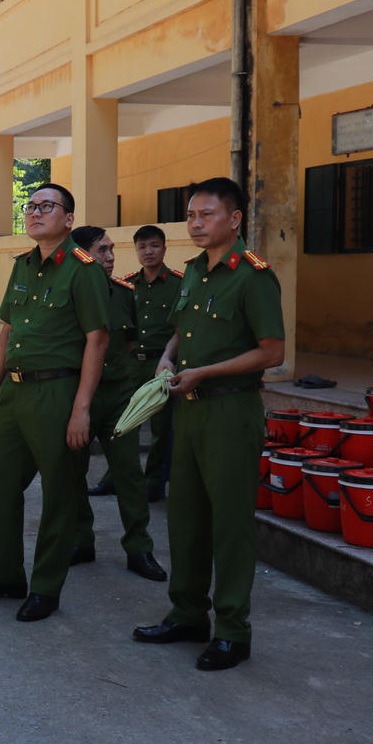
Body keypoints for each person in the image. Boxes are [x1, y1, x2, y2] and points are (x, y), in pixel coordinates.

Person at [133, 177, 284, 671]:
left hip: (231, 411)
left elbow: (272, 351)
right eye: (192, 215)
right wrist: (167, 357)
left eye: (207, 215)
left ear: (235, 218)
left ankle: (233, 631)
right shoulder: (194, 271)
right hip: (190, 409)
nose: (195, 224)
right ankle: (188, 614)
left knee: (230, 526)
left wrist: (205, 372)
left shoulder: (253, 276)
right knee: (187, 518)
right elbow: (182, 327)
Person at [0, 183, 108, 623]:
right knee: (1, 485)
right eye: (31, 206)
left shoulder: (84, 269)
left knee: (59, 493)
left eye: (47, 206)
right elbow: (7, 331)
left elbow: (97, 340)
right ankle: (5, 575)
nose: (36, 212)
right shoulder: (22, 265)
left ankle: (46, 587)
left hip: (58, 392)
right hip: (15, 393)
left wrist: (82, 407)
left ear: (68, 219)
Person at [68, 226, 167, 583]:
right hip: (80, 395)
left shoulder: (125, 293)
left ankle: (139, 548)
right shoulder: (69, 291)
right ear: (81, 255)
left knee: (128, 473)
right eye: (101, 251)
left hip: (119, 396)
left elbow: (127, 342)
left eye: (111, 250)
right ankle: (81, 540)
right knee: (72, 471)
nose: (110, 258)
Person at [90, 225, 180, 502]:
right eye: (142, 247)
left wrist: (168, 359)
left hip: (160, 366)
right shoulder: (126, 286)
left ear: (164, 249)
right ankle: (113, 477)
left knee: (161, 430)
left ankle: (153, 483)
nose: (148, 252)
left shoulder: (180, 284)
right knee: (121, 424)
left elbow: (181, 327)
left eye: (154, 246)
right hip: (130, 365)